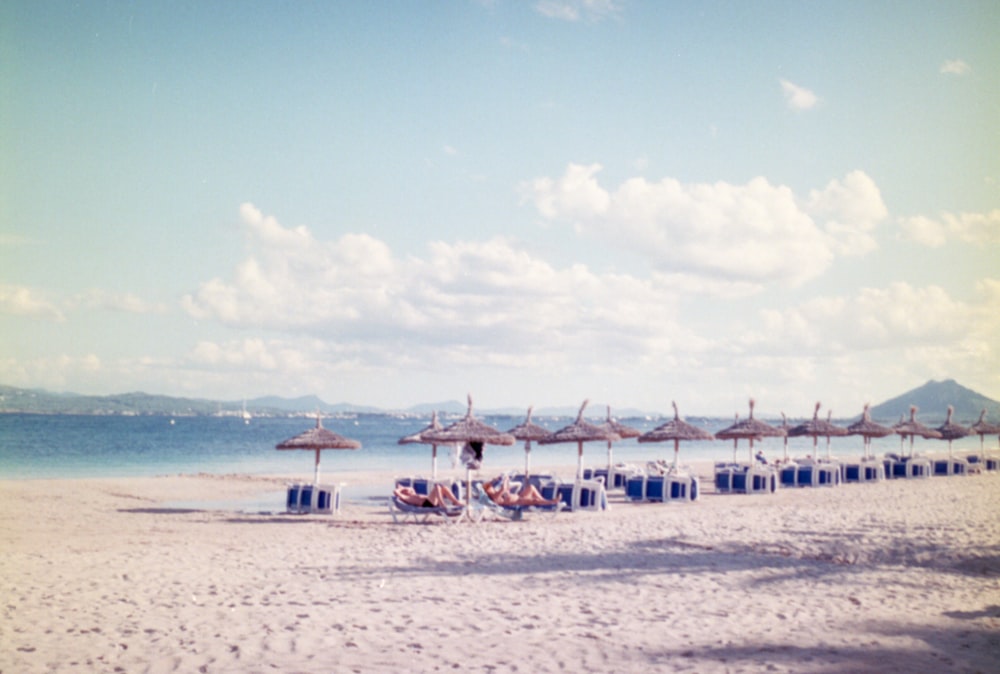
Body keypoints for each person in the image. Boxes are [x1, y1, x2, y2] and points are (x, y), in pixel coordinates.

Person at [483, 475, 559, 507]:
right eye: (490, 487)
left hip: (519, 496)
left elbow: (506, 490)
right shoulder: (494, 497)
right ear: (488, 491)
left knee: (531, 487)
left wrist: (505, 480)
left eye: (491, 486)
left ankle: (544, 500)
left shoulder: (496, 493)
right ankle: (551, 502)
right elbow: (503, 489)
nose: (492, 487)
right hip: (518, 501)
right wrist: (505, 480)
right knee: (535, 500)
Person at [393, 483, 462, 508]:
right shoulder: (406, 497)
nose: (409, 490)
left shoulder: (413, 494)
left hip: (430, 501)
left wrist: (404, 488)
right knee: (437, 487)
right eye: (406, 490)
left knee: (444, 488)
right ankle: (442, 503)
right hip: (427, 503)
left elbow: (411, 488)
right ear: (404, 492)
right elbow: (395, 491)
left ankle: (455, 502)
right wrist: (401, 489)